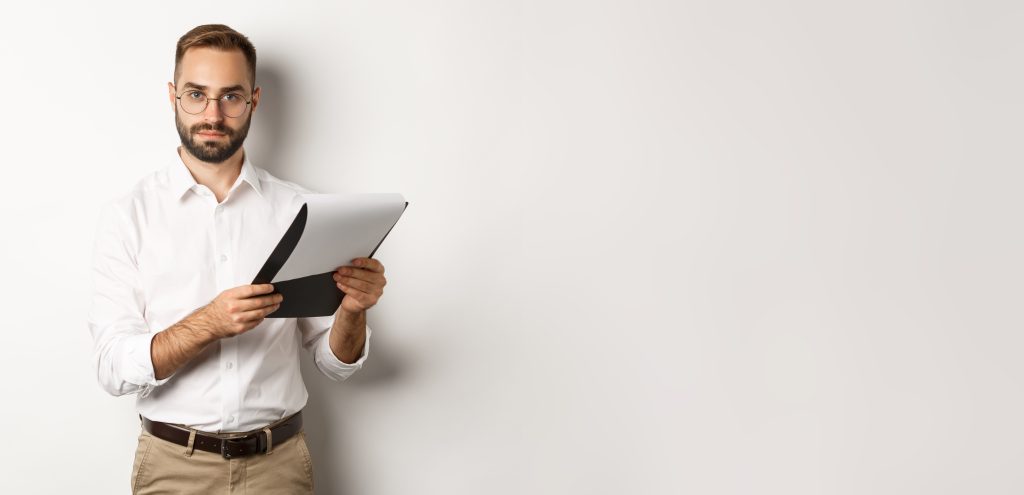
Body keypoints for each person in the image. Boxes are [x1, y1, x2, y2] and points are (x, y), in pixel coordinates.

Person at [87, 24, 387, 494]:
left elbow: (337, 363)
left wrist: (353, 310)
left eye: (230, 96)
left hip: (279, 468)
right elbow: (112, 368)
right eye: (196, 94)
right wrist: (208, 323)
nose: (213, 113)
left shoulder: (299, 212)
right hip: (173, 467)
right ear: (172, 96)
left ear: (254, 100)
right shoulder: (130, 216)